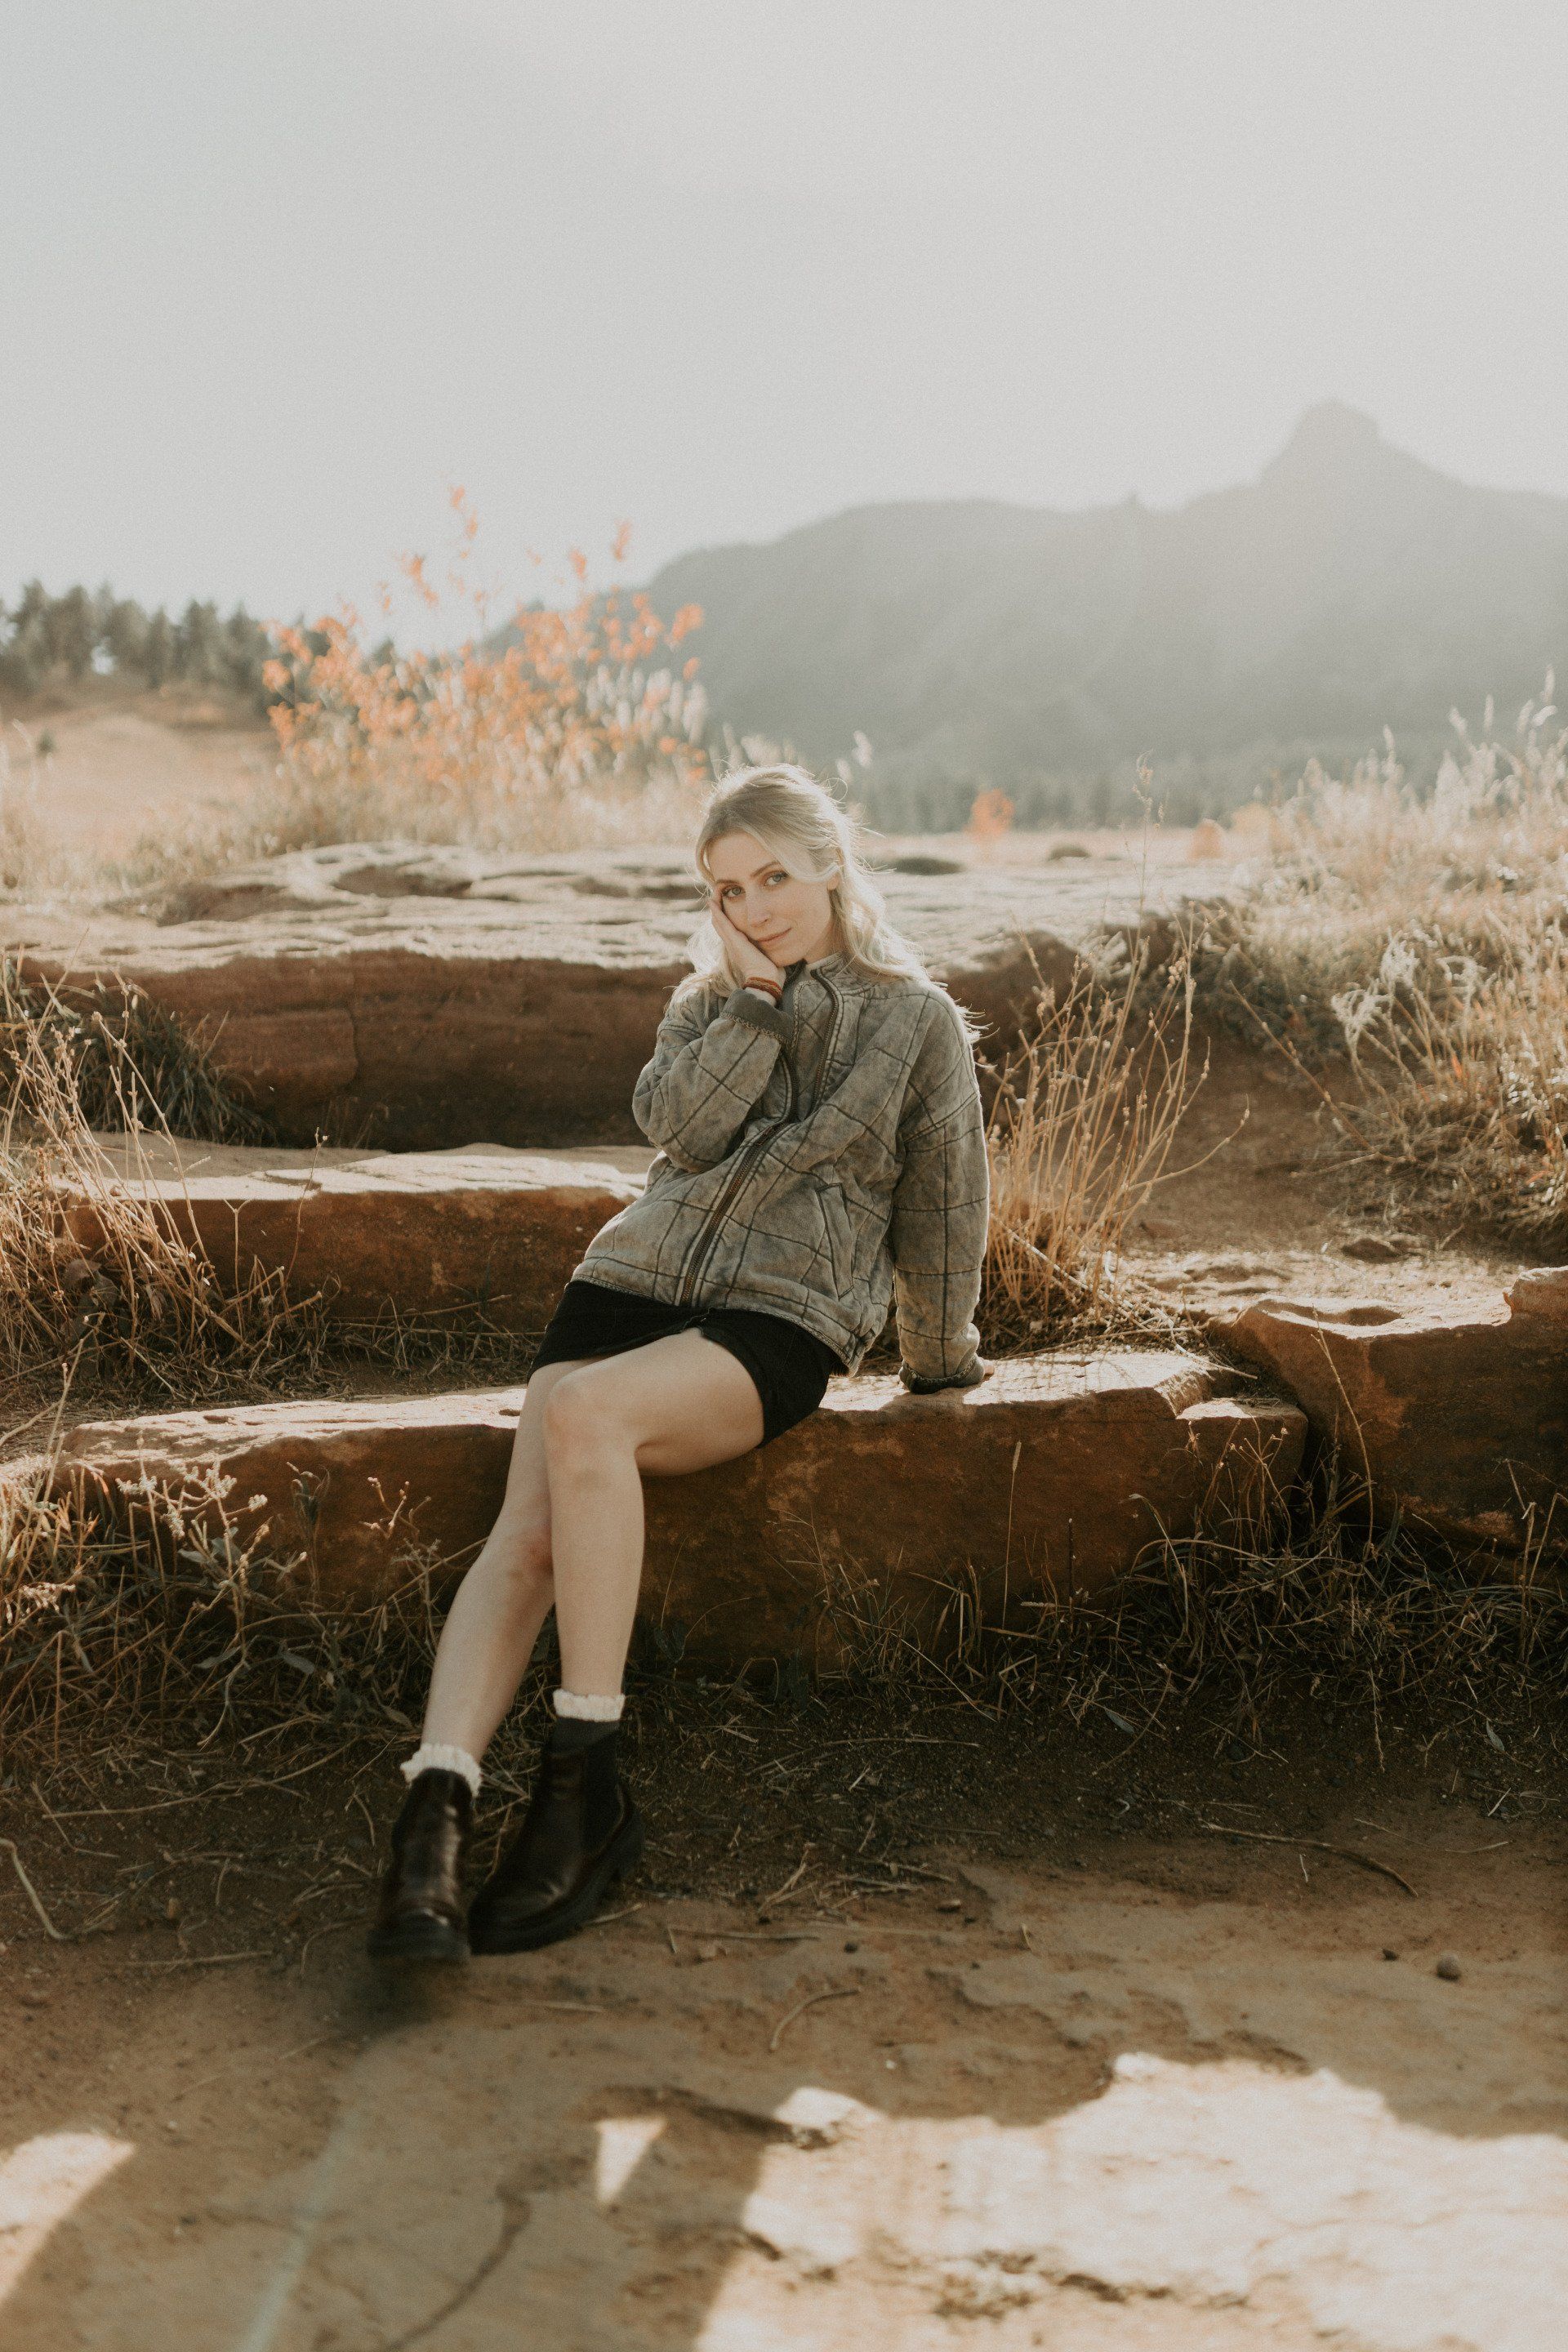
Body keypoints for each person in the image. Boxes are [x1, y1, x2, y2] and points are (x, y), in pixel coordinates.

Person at [368, 764, 991, 1962]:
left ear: (829, 866)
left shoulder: (914, 1023)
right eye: (726, 890)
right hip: (623, 1287)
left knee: (587, 1420)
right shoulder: (706, 1006)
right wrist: (751, 1006)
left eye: (773, 879)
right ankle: (433, 1818)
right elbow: (682, 1132)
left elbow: (947, 1200)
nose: (755, 909)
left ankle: (584, 1782)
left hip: (779, 1316)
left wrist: (939, 1356)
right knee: (530, 1533)